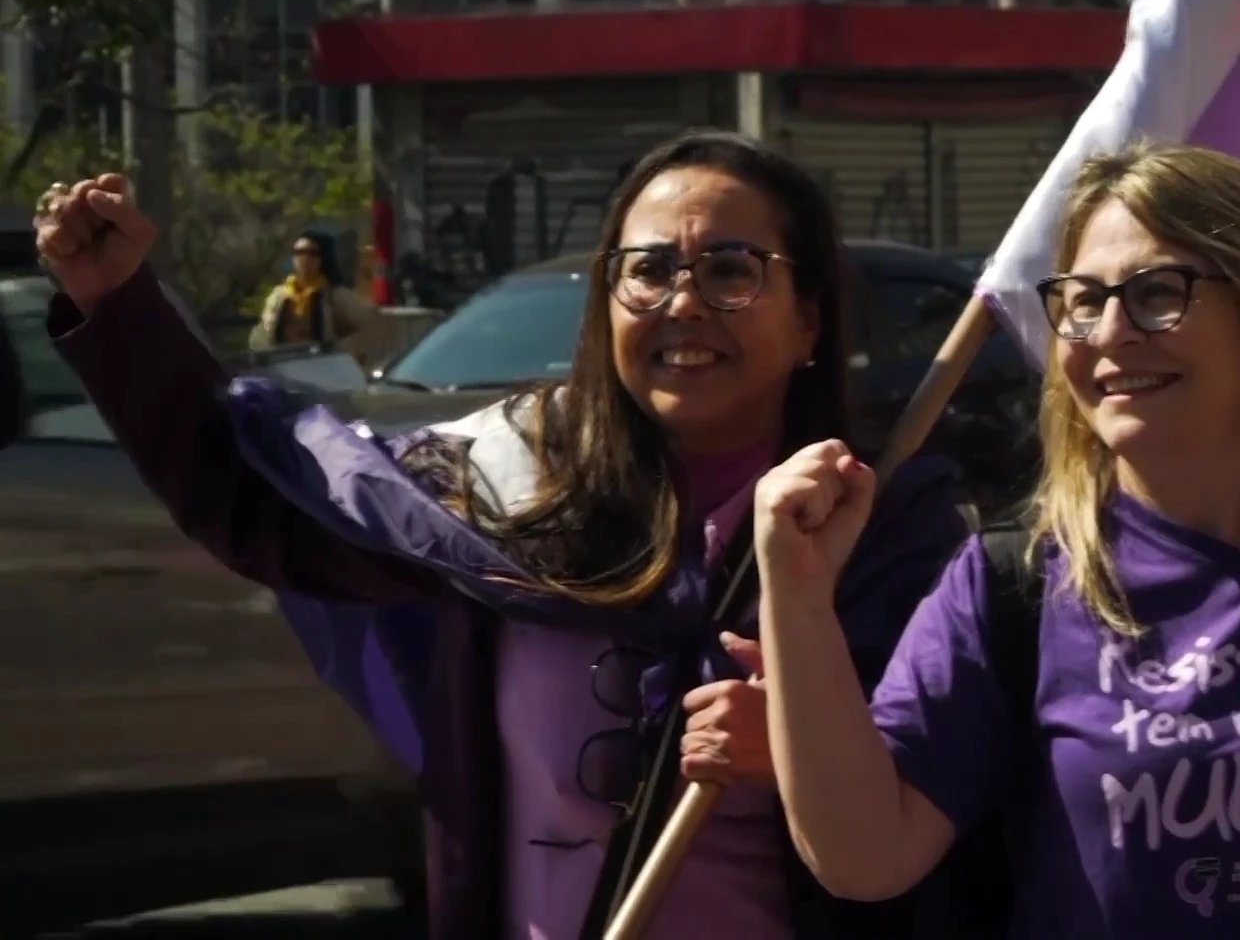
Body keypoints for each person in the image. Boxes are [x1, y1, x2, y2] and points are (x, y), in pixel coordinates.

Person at [32, 131, 972, 940]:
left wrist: (810, 748)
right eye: (646, 270)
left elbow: (949, 785)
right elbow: (270, 502)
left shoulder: (883, 521)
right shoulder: (504, 486)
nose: (683, 302)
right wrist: (122, 308)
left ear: (808, 318)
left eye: (731, 269)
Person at [749, 141, 1240, 938]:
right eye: (1083, 302)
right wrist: (797, 595)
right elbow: (861, 855)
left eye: (1159, 293)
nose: (1112, 331)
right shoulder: (1013, 586)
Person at [248, 228, 390, 363]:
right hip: (283, 364)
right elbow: (263, 334)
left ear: (323, 258)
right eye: (299, 252)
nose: (305, 259)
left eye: (313, 253)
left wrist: (342, 351)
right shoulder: (278, 295)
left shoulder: (334, 295)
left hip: (319, 365)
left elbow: (370, 324)